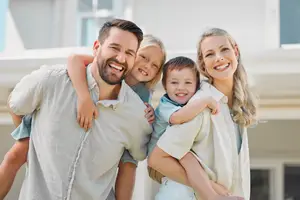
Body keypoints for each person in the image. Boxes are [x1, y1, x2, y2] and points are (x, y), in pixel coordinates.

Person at [0, 33, 166, 200]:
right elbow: (74, 59)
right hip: (65, 115)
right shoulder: (106, 64)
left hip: (110, 135)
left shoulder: (143, 93)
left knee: (129, 165)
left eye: (155, 66)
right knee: (17, 153)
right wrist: (84, 96)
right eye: (144, 57)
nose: (147, 66)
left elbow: (142, 125)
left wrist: (150, 113)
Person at [148, 28, 258, 200]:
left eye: (224, 49)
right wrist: (210, 189)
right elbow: (157, 159)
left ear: (235, 51)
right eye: (209, 54)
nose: (219, 58)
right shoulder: (200, 106)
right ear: (203, 64)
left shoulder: (235, 107)